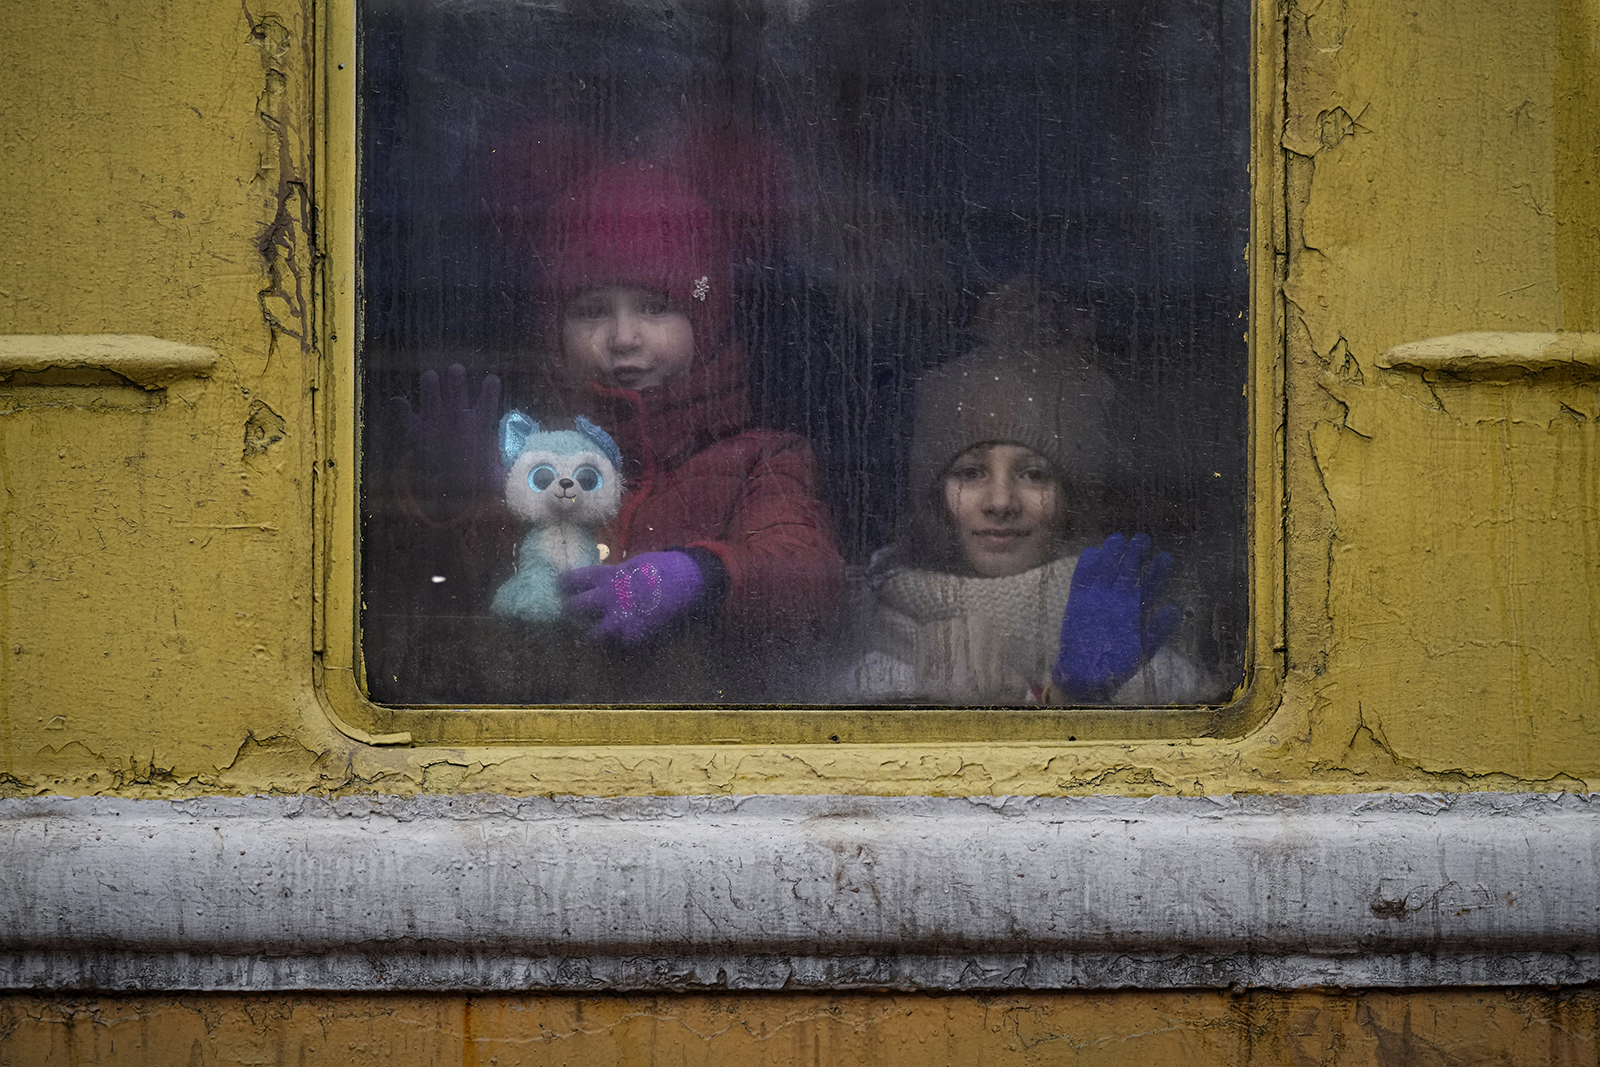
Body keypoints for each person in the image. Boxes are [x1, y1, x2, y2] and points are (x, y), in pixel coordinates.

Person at [372, 153, 844, 702]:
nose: (623, 337)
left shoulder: (759, 460)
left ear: (705, 320)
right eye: (592, 310)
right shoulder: (523, 460)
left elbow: (809, 569)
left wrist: (697, 576)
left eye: (655, 307)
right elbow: (431, 599)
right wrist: (447, 494)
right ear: (554, 329)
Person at [851, 327, 1217, 705]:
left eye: (1034, 474)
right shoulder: (871, 677)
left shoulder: (1149, 672)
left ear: (1072, 499)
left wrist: (1079, 700)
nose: (1001, 502)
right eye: (970, 473)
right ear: (936, 500)